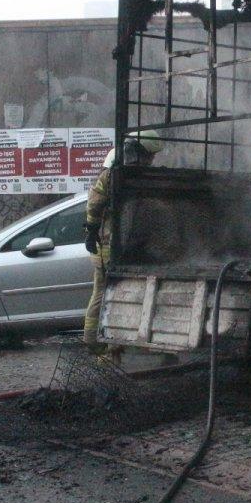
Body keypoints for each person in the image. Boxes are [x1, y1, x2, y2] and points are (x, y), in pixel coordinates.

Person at [84, 130, 162, 361]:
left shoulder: (124, 175)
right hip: (114, 248)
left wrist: (90, 231)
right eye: (150, 155)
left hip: (113, 247)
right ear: (140, 153)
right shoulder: (114, 176)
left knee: (105, 294)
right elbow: (95, 205)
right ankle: (101, 344)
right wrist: (90, 230)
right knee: (109, 295)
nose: (151, 160)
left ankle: (105, 345)